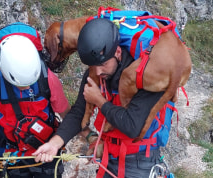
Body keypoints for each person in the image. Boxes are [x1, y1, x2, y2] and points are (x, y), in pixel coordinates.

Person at [33, 18, 167, 178]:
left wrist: (99, 101)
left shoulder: (146, 76)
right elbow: (78, 112)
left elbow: (132, 127)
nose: (97, 72)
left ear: (117, 52)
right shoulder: (97, 69)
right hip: (109, 156)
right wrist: (55, 143)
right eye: (92, 66)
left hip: (139, 164)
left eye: (103, 65)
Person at [0, 35, 70, 178]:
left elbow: (68, 116)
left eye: (29, 82)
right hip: (9, 157)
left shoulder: (47, 78)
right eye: (21, 85)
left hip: (45, 153)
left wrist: (87, 135)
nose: (26, 87)